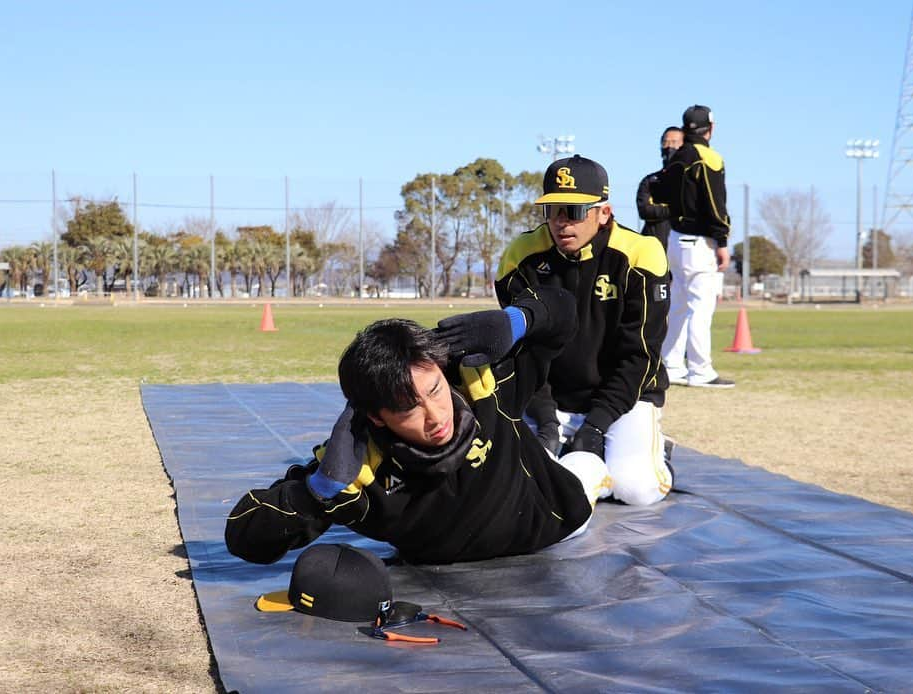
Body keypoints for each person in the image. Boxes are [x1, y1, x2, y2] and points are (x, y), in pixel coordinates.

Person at [225, 286, 609, 566]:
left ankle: (559, 445)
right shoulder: (358, 471)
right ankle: (545, 442)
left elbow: (564, 307)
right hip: (461, 556)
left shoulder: (480, 383)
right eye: (409, 409)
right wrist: (316, 491)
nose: (436, 415)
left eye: (435, 390)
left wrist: (516, 319)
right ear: (377, 417)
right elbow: (244, 538)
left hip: (555, 521)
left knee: (604, 472)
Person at [495, 154, 673, 507]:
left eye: (574, 211)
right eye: (553, 210)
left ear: (603, 212)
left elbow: (639, 356)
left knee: (635, 489)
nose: (561, 223)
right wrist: (545, 420)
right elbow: (524, 353)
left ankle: (658, 456)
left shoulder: (641, 255)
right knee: (520, 481)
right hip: (553, 401)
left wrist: (596, 425)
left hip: (625, 401)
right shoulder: (521, 256)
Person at [653, 104, 735, 388]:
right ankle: (700, 371)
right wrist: (722, 239)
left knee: (677, 306)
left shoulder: (677, 157)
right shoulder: (708, 157)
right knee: (700, 308)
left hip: (674, 240)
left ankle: (671, 366)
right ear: (710, 129)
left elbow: (658, 190)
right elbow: (716, 204)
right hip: (700, 243)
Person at [636, 126, 684, 252]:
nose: (669, 146)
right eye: (665, 142)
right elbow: (645, 210)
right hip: (653, 248)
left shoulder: (690, 181)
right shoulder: (650, 180)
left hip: (683, 249)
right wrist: (675, 209)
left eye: (674, 142)